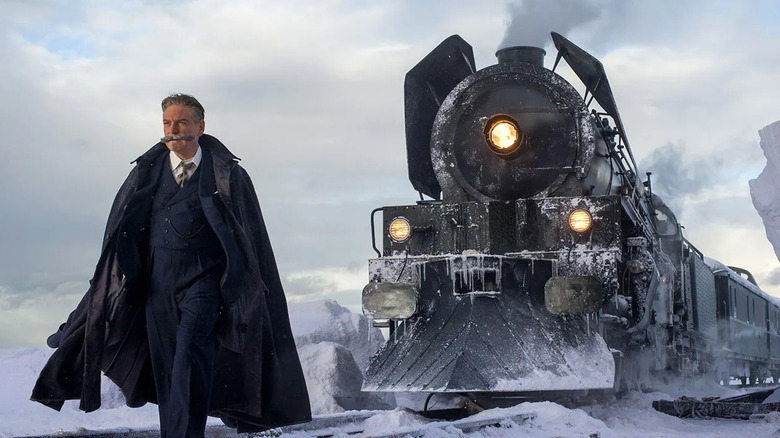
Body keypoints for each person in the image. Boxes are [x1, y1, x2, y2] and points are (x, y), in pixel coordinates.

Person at [31, 94, 311, 437]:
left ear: (200, 126)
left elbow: (250, 239)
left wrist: (236, 286)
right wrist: (125, 269)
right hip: (156, 283)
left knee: (191, 352)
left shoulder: (228, 175)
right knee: (165, 369)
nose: (172, 130)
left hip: (205, 282)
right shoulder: (146, 173)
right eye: (167, 123)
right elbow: (126, 226)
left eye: (181, 123)